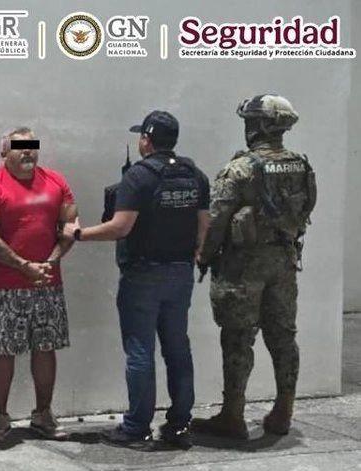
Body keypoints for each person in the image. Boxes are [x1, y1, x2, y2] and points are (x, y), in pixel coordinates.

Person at [62, 111, 209, 449]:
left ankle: (137, 427)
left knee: (140, 350)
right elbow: (204, 224)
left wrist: (78, 233)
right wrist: (192, 256)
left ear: (146, 139)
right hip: (180, 272)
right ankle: (179, 424)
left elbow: (120, 227)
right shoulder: (194, 174)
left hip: (143, 274)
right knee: (178, 347)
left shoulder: (139, 176)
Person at [190, 95, 316, 439]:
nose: (247, 127)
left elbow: (217, 220)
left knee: (237, 338)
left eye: (250, 121)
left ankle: (233, 415)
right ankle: (283, 411)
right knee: (283, 336)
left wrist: (203, 256)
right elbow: (305, 211)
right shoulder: (300, 165)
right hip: (284, 262)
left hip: (243, 267)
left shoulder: (240, 169)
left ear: (260, 125)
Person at [0, 127, 76, 443]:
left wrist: (51, 262)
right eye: (19, 146)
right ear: (4, 152)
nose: (27, 151)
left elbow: (70, 225)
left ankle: (43, 414)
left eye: (32, 146)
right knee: (3, 350)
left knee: (45, 348)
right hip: (5, 285)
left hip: (47, 282)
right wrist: (23, 266)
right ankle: (0, 416)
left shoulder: (56, 181)